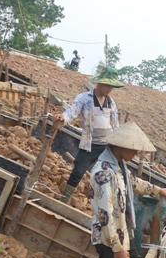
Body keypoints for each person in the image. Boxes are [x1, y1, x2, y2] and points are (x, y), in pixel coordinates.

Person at [89, 122, 166, 258]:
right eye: (134, 150)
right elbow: (105, 216)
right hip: (108, 238)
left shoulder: (119, 166)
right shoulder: (103, 173)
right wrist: (117, 249)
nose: (136, 154)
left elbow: (134, 182)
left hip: (123, 231)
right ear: (122, 147)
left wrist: (157, 190)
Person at [53, 67, 123, 203]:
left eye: (111, 86)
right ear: (99, 83)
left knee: (111, 174)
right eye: (107, 85)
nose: (109, 89)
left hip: (107, 144)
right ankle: (65, 199)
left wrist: (119, 141)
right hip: (90, 143)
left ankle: (107, 203)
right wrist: (63, 118)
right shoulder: (84, 98)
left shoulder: (111, 102)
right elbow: (72, 112)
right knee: (78, 170)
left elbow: (115, 125)